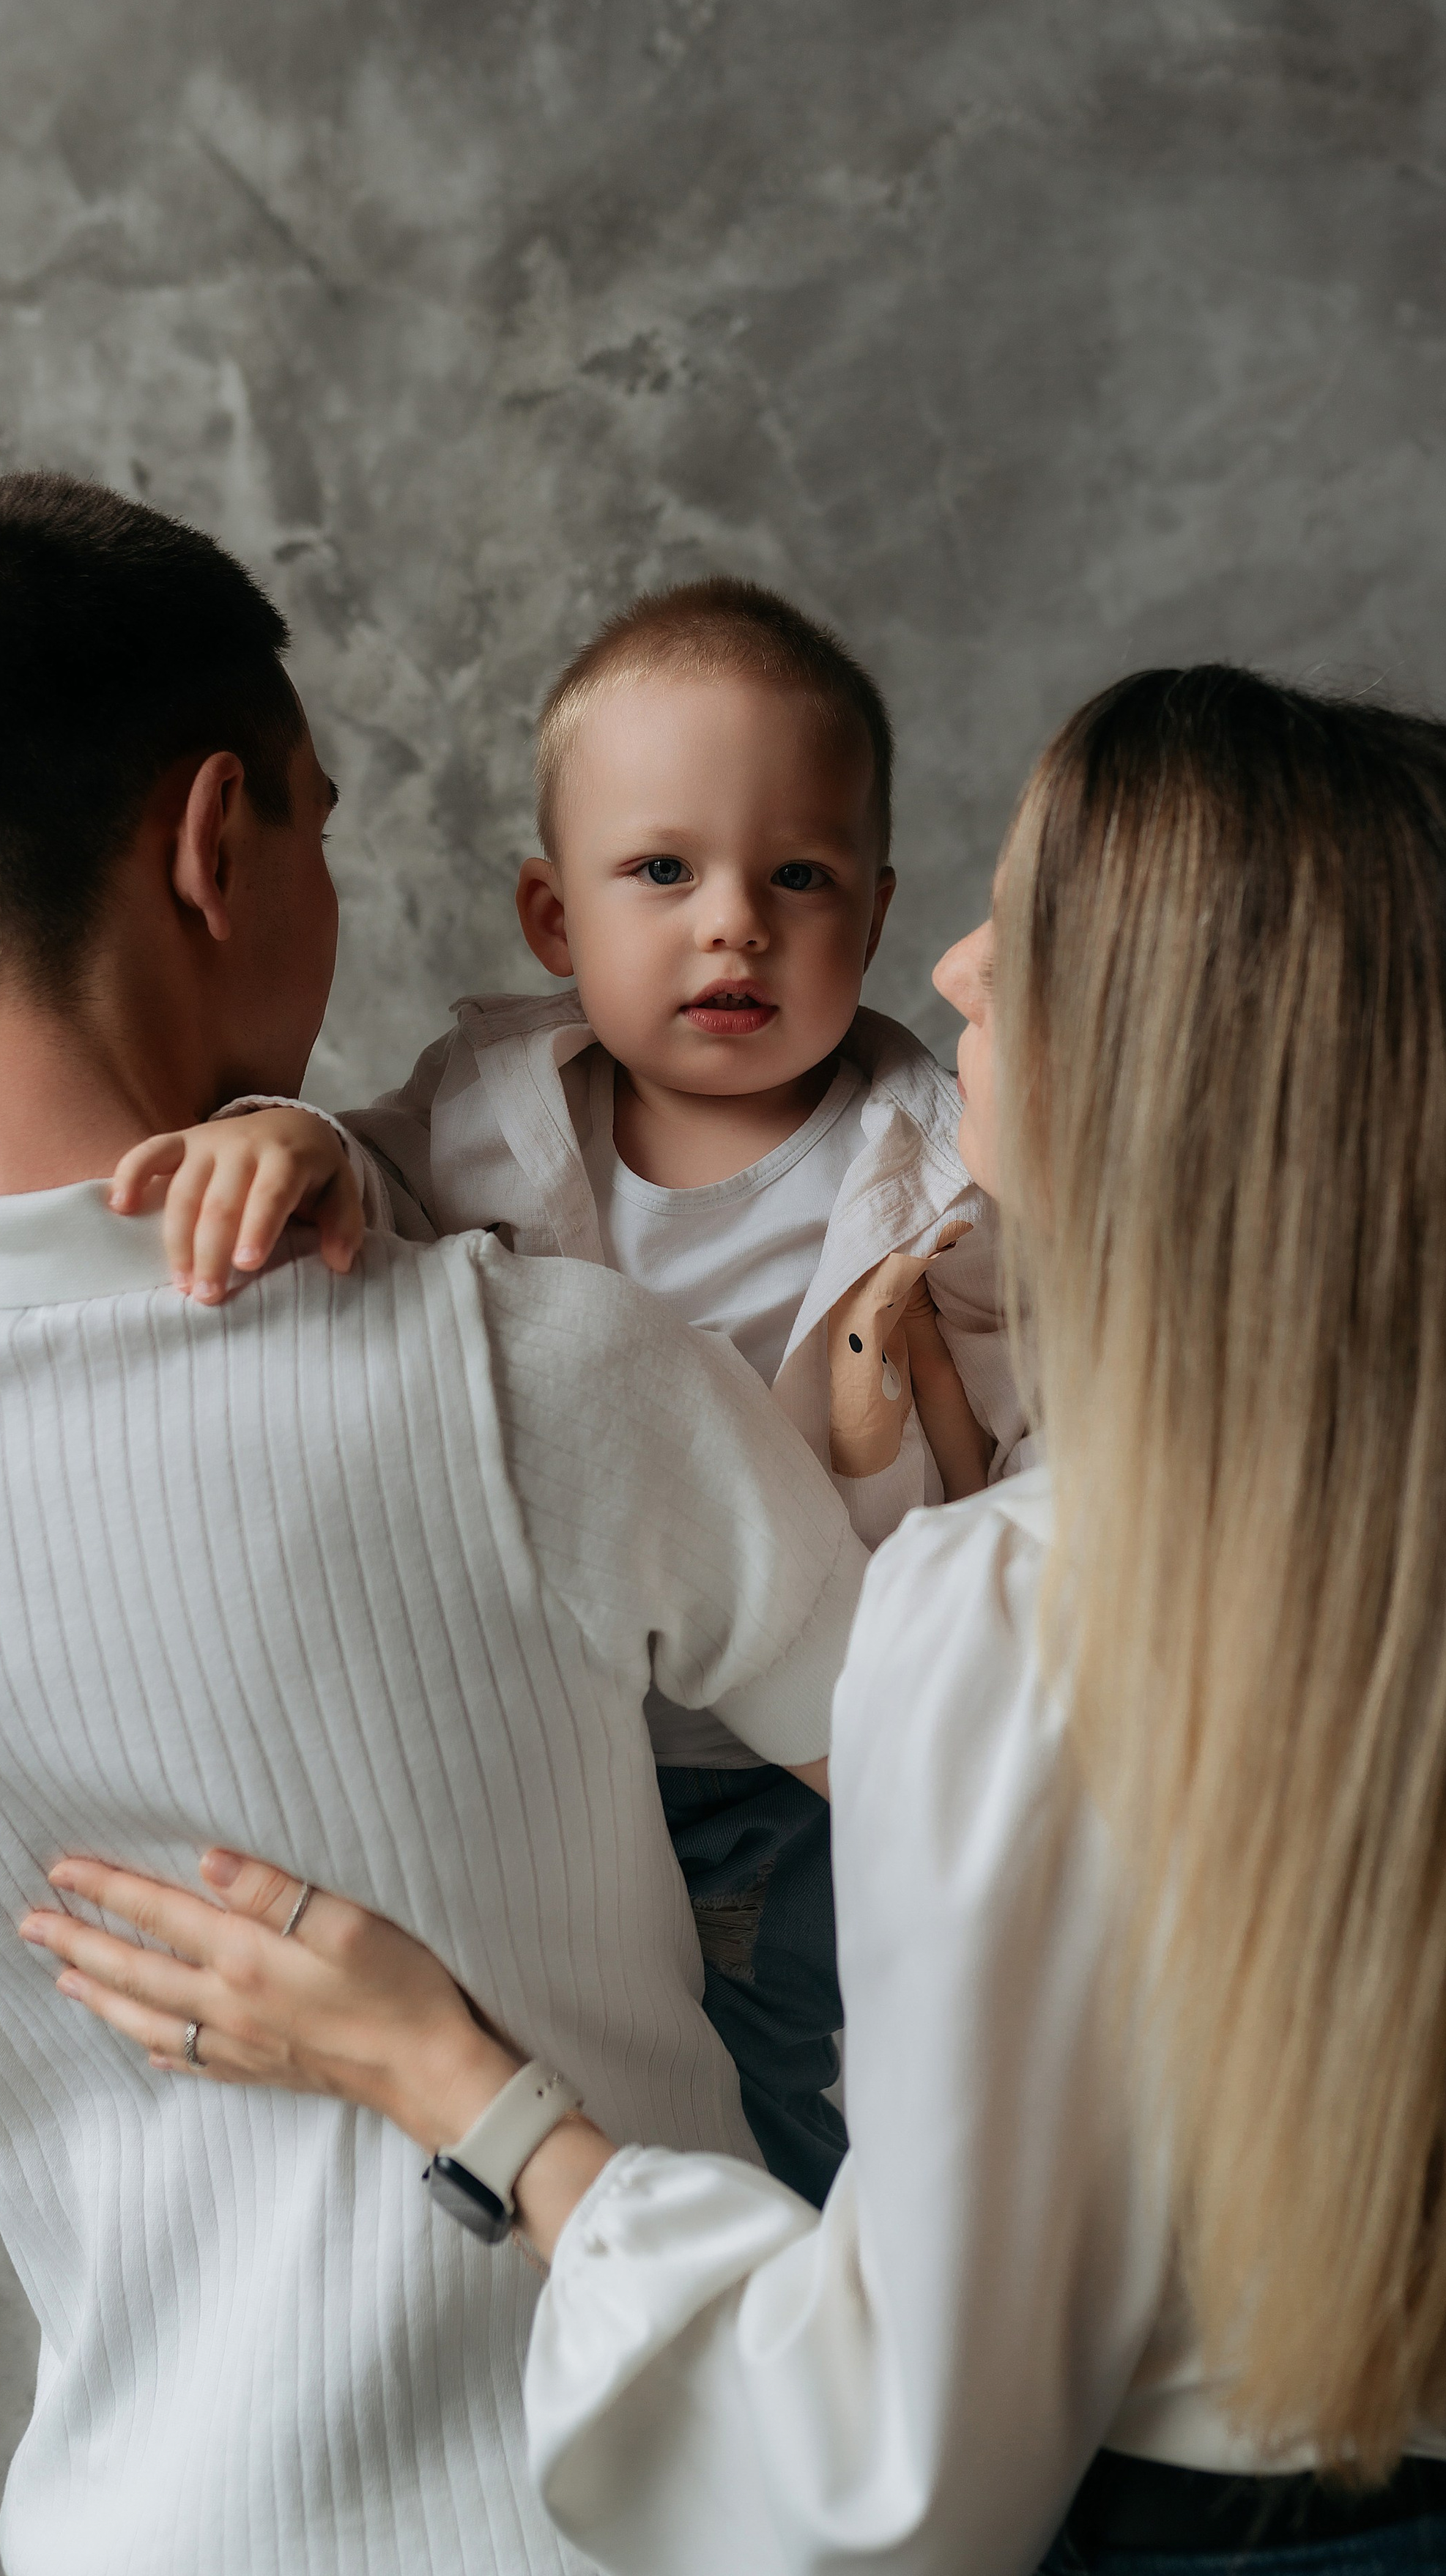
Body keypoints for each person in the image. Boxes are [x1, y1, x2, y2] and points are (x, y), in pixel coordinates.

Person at [32, 667, 1446, 2576]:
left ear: (1187, 1072)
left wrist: (458, 2083)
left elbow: (887, 2475)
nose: (962, 959)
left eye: (1039, 926)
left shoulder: (1019, 1611)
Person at [0, 471, 866, 2576]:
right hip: (623, 2515)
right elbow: (1022, 1808)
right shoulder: (527, 1377)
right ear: (216, 836)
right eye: (315, 816)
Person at [103, 578, 1028, 2206]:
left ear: (872, 916)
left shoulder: (945, 1164)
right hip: (547, 1740)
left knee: (795, 2088)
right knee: (548, 2063)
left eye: (794, 876)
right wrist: (294, 1135)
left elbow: (1046, 1431)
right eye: (661, 872)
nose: (731, 920)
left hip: (797, 1760)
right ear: (554, 920)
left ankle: (801, 2328)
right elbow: (364, 1196)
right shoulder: (489, 1111)